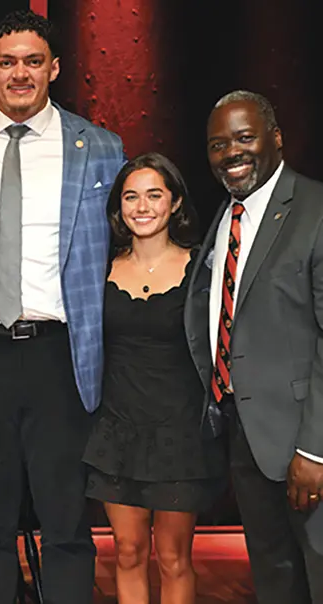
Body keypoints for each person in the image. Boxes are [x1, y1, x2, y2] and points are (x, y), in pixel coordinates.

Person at [0, 9, 125, 603]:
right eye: (7, 62)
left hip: (59, 358)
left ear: (54, 69)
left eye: (33, 62)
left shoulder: (100, 149)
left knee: (65, 523)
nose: (20, 74)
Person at [185, 90, 323, 603]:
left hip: (307, 447)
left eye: (244, 138)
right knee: (274, 579)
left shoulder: (313, 209)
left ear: (277, 138)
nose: (231, 153)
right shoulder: (226, 218)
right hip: (247, 440)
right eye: (218, 144)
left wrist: (315, 449)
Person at [83, 153, 227, 603]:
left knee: (173, 558)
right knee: (127, 552)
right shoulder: (97, 269)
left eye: (153, 195)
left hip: (179, 434)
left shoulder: (203, 269)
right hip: (116, 430)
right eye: (131, 196)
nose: (141, 206)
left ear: (175, 202)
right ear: (119, 207)